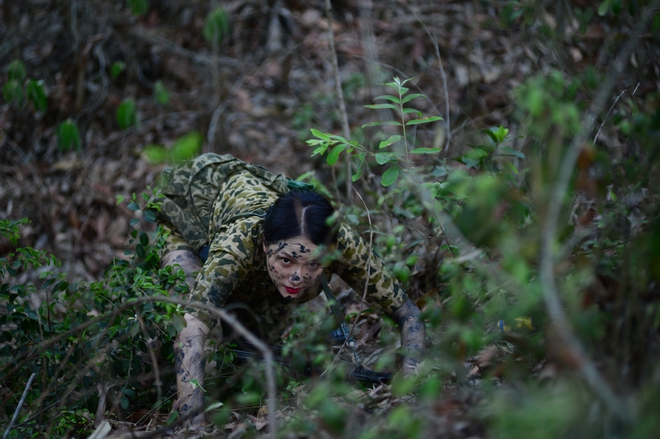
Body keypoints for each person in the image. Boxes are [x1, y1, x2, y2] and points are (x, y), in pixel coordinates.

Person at [154, 153, 425, 426]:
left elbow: (407, 311)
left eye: (314, 264)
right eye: (287, 260)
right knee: (209, 355)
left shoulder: (342, 242)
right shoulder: (235, 247)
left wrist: (412, 380)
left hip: (259, 268)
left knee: (252, 361)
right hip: (192, 217)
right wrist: (193, 426)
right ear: (263, 244)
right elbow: (192, 327)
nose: (298, 276)